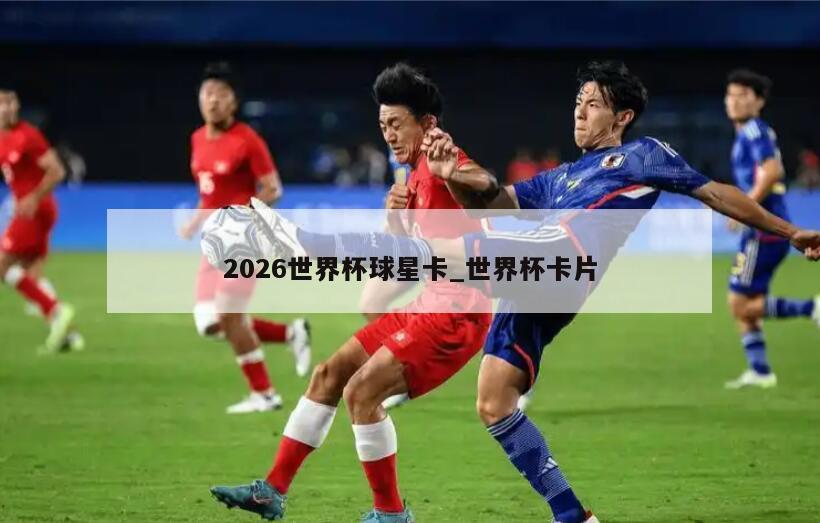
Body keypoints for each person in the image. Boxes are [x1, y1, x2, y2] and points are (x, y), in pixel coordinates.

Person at [250, 61, 820, 523]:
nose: (579, 110)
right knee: (493, 401)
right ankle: (572, 514)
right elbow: (498, 201)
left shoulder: (643, 155)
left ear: (622, 116)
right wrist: (454, 176)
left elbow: (714, 192)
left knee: (444, 254)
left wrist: (789, 231)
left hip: (559, 260)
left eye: (592, 103)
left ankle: (309, 243)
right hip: (532, 281)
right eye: (578, 101)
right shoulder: (562, 177)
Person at [209, 63, 492, 523]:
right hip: (430, 303)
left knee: (362, 393)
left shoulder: (445, 158)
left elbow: (483, 191)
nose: (389, 135)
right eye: (383, 126)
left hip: (457, 314)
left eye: (396, 123)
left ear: (427, 123)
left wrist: (459, 176)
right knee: (329, 374)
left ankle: (391, 514)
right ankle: (271, 491)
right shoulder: (411, 175)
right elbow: (403, 257)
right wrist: (396, 218)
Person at [177, 62, 311, 414]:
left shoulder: (247, 140)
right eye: (208, 94)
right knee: (209, 322)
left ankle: (264, 394)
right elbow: (209, 195)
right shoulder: (197, 140)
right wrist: (194, 222)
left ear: (234, 102)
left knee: (228, 314)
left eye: (222, 95)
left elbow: (273, 189)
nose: (214, 101)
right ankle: (290, 334)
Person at [722, 69, 819, 389]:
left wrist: (744, 206)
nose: (734, 101)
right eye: (731, 95)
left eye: (743, 95)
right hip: (767, 229)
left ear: (759, 101)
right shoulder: (748, 134)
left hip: (763, 231)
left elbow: (773, 171)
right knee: (747, 304)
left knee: (739, 304)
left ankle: (812, 308)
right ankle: (760, 371)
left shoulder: (754, 131)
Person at [0, 86, 81, 353]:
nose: (7, 108)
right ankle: (68, 336)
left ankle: (56, 310)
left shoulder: (28, 135)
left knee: (3, 266)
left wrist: (33, 198)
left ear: (17, 106)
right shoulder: (3, 139)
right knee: (30, 275)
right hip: (28, 209)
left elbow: (57, 171)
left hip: (36, 210)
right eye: (2, 103)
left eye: (11, 102)